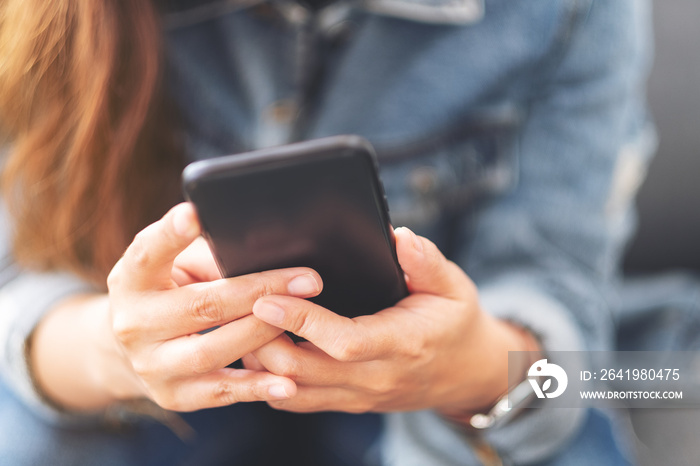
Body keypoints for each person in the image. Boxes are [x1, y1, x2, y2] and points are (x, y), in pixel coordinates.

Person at [0, 0, 654, 464]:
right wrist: (116, 352)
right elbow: (15, 283)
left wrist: (472, 369)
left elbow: (561, 319)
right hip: (144, 407)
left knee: (578, 421)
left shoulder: (569, 11)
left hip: (428, 399)